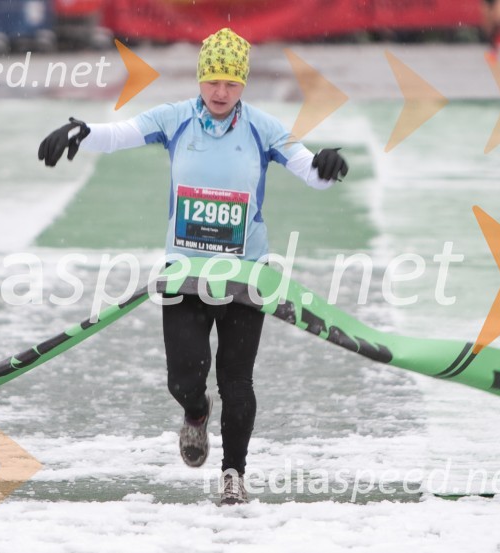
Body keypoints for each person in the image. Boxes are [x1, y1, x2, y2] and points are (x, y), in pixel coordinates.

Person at [37, 28, 348, 505]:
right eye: (213, 81)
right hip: (185, 273)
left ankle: (233, 475)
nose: (221, 92)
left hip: (245, 274)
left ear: (243, 83)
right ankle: (196, 412)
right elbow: (122, 134)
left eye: (231, 83)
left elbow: (311, 171)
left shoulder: (263, 128)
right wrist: (83, 132)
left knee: (237, 382)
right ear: (200, 78)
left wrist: (326, 165)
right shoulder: (176, 119)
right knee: (184, 378)